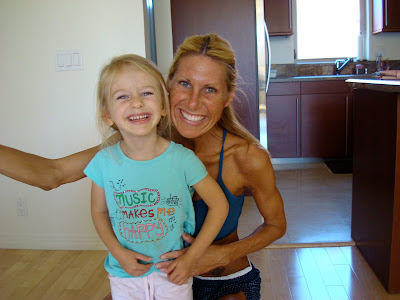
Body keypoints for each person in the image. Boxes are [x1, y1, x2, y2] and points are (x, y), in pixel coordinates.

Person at [0, 33, 286, 300]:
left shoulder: (247, 156)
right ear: (168, 85)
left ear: (228, 96)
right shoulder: (132, 143)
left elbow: (276, 225)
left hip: (223, 281)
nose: (193, 101)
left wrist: (222, 255)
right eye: (184, 84)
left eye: (210, 89)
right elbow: (51, 174)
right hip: (151, 279)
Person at [84, 54, 229, 299]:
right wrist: (118, 253)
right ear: (108, 115)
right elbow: (99, 212)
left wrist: (191, 258)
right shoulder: (103, 163)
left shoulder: (183, 159)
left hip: (173, 272)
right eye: (123, 96)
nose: (137, 103)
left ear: (163, 106)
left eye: (146, 93)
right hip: (124, 275)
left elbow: (219, 205)